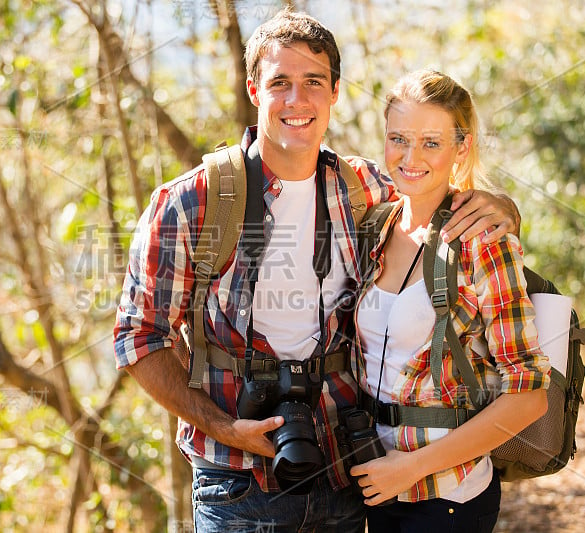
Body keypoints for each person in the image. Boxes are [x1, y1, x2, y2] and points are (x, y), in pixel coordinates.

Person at [114, 11, 519, 532]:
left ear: (334, 92)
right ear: (255, 90)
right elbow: (139, 338)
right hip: (236, 481)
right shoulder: (192, 203)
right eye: (280, 82)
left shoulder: (364, 188)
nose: (296, 100)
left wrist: (503, 206)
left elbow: (432, 191)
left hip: (344, 465)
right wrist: (227, 428)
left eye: (313, 83)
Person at [349, 69, 550, 533]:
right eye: (398, 138)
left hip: (447, 497)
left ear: (462, 147)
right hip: (372, 482)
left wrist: (411, 469)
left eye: (431, 142)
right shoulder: (376, 226)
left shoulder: (482, 240)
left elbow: (529, 395)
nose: (411, 157)